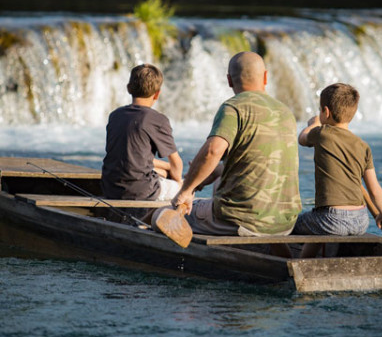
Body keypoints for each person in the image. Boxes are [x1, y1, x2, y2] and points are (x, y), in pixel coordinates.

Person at [170, 51, 301, 238]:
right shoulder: (285, 112)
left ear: (229, 80)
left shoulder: (234, 108)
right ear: (265, 77)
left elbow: (212, 152)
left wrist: (185, 191)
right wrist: (197, 179)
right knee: (220, 174)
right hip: (285, 223)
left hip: (242, 221)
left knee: (160, 215)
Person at [294, 83, 382, 257]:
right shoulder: (363, 146)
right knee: (316, 226)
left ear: (326, 111)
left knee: (291, 224)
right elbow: (374, 189)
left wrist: (313, 123)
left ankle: (293, 264)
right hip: (360, 221)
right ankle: (304, 261)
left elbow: (302, 138)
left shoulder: (322, 133)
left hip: (330, 219)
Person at [101, 64, 183, 203]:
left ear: (128, 88)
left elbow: (132, 156)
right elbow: (177, 165)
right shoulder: (158, 120)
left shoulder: (115, 115)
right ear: (157, 94)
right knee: (187, 189)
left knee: (163, 173)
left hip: (110, 187)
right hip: (141, 191)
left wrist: (166, 169)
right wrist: (178, 184)